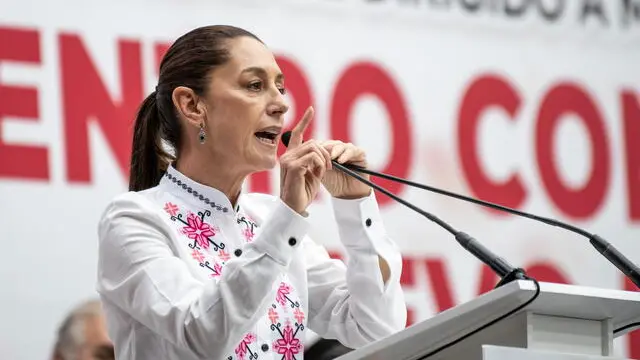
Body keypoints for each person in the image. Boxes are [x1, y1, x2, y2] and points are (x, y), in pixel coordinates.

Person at [96, 25, 406, 360]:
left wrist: (355, 205)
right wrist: (286, 220)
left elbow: (376, 328)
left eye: (280, 87)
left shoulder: (268, 219)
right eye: (255, 85)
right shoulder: (133, 219)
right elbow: (203, 333)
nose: (281, 104)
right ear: (192, 105)